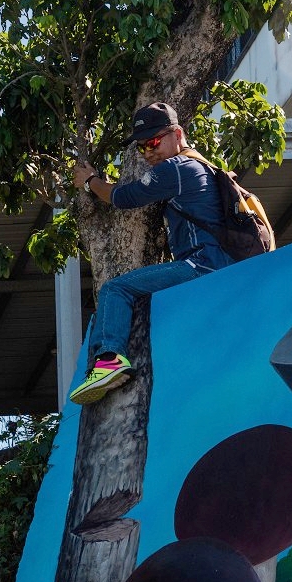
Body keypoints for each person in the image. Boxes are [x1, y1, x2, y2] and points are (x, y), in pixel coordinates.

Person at [69, 101, 235, 405]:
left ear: (178, 134)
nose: (149, 153)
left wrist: (90, 181)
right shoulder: (201, 167)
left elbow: (123, 196)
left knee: (116, 289)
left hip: (202, 266)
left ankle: (108, 362)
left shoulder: (179, 168)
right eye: (142, 148)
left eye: (154, 142)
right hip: (218, 270)